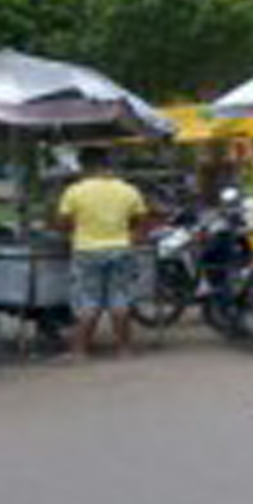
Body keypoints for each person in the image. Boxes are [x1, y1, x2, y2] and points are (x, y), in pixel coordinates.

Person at [56, 147, 148, 361]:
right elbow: (140, 220)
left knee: (88, 301)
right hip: (120, 248)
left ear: (83, 166)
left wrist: (76, 231)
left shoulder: (74, 191)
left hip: (86, 250)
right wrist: (128, 235)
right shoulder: (128, 190)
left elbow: (63, 223)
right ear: (107, 164)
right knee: (120, 300)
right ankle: (124, 350)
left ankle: (80, 351)